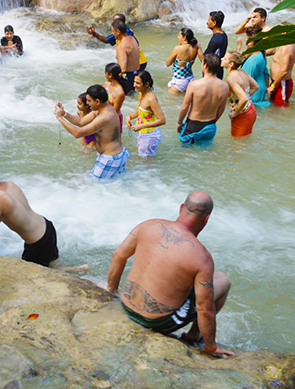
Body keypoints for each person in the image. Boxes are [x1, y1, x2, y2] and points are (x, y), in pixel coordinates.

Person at [107, 191, 233, 357]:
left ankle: (117, 295)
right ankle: (193, 336)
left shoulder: (148, 225)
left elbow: (118, 255)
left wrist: (111, 291)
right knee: (222, 280)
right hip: (158, 322)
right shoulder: (201, 257)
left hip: (126, 305)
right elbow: (204, 309)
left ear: (181, 208)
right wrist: (211, 346)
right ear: (206, 218)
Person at [0, 158, 59, 267]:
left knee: (34, 278)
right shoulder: (10, 184)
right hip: (48, 227)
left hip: (38, 243)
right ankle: (79, 268)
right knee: (50, 267)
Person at [55, 85, 129, 179]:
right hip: (117, 155)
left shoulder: (104, 117)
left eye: (89, 101)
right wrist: (64, 113)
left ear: (97, 101)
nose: (88, 104)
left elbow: (77, 133)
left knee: (94, 185)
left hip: (110, 159)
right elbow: (81, 122)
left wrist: (59, 118)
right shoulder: (102, 109)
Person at [177, 54, 229, 145]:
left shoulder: (194, 85)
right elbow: (222, 109)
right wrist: (213, 122)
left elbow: (184, 107)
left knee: (185, 152)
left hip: (193, 126)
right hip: (211, 125)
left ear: (205, 66)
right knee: (206, 151)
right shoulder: (225, 86)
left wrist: (179, 123)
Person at [126, 71, 166, 157]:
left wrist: (141, 126)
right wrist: (129, 117)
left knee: (146, 163)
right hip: (144, 133)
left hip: (150, 136)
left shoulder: (151, 99)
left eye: (137, 83)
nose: (134, 85)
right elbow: (140, 110)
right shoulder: (141, 93)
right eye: (134, 82)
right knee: (144, 161)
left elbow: (162, 120)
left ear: (146, 84)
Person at [221, 51, 258, 138]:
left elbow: (244, 99)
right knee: (244, 140)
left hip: (242, 114)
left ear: (231, 64)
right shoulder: (242, 71)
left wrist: (234, 114)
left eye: (225, 58)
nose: (221, 59)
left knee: (237, 145)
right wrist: (241, 99)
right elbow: (255, 87)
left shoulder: (231, 79)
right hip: (251, 109)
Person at [240, 25, 271, 108]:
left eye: (247, 38)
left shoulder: (253, 60)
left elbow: (245, 81)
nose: (246, 40)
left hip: (253, 93)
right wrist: (267, 87)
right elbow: (266, 73)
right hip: (261, 90)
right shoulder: (261, 54)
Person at [166, 28, 200, 94]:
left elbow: (168, 63)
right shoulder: (195, 48)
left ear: (184, 37)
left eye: (179, 35)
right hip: (190, 79)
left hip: (180, 81)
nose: (178, 37)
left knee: (168, 99)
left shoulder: (178, 48)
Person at [111, 20, 140, 94]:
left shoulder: (121, 46)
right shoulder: (132, 38)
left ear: (118, 32)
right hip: (137, 74)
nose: (112, 33)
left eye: (113, 31)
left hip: (127, 77)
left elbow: (122, 68)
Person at [199, 11, 228, 79]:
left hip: (212, 75)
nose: (207, 22)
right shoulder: (223, 35)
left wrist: (198, 47)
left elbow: (204, 59)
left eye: (209, 20)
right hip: (219, 71)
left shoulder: (215, 40)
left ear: (214, 23)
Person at [268, 42, 295, 106]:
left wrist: (272, 86)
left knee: (282, 106)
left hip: (281, 84)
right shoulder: (292, 45)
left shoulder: (285, 48)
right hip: (279, 82)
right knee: (275, 105)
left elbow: (283, 71)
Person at [103, 63, 127, 131]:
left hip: (114, 118)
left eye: (105, 72)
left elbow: (114, 111)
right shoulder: (107, 84)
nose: (104, 74)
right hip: (104, 114)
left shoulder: (120, 93)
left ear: (110, 75)